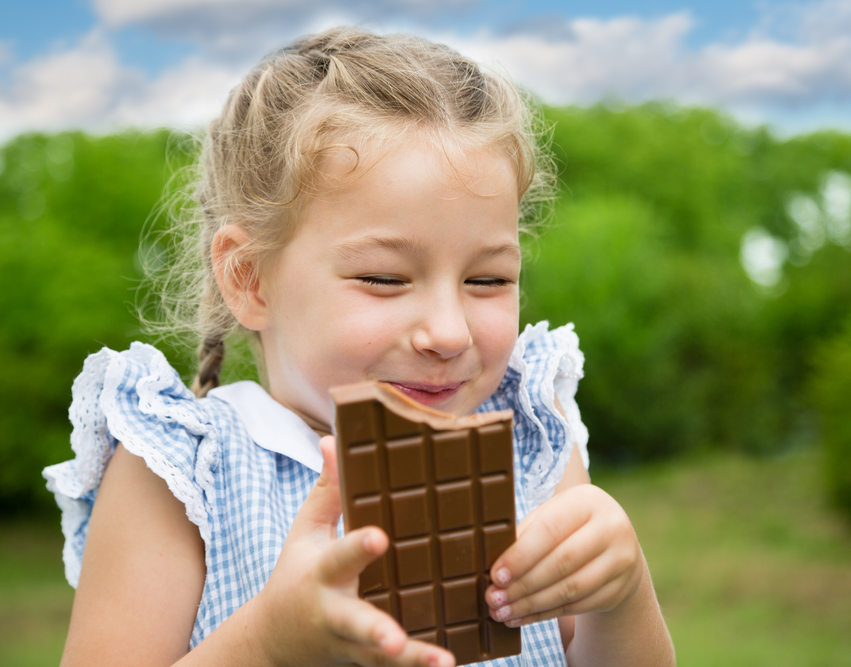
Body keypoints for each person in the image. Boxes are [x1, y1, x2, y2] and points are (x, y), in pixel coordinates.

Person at [43, 27, 674, 667]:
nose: (448, 333)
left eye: (487, 280)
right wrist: (267, 644)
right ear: (250, 278)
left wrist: (623, 597)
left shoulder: (530, 442)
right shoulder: (182, 475)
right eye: (384, 279)